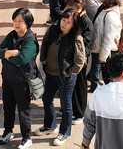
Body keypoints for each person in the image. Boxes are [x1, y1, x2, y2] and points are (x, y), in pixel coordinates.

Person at [38, 9, 87, 146]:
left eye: (68, 22)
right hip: (51, 73)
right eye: (63, 20)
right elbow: (45, 46)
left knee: (66, 105)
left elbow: (80, 61)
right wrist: (44, 61)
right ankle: (50, 125)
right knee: (47, 98)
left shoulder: (76, 38)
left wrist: (69, 73)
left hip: (66, 77)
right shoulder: (53, 30)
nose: (64, 24)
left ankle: (64, 132)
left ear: (74, 25)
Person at [0, 8, 39, 149]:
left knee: (23, 110)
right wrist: (11, 53)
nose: (16, 23)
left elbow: (22, 59)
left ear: (28, 22)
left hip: (23, 81)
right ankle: (8, 132)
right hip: (8, 78)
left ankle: (26, 137)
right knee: (8, 107)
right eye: (14, 20)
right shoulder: (11, 35)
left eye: (20, 21)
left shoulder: (30, 40)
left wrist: (7, 55)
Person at [92, 0, 122, 85]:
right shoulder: (104, 8)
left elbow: (108, 38)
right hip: (101, 49)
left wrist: (103, 57)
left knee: (108, 79)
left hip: (107, 53)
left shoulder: (111, 16)